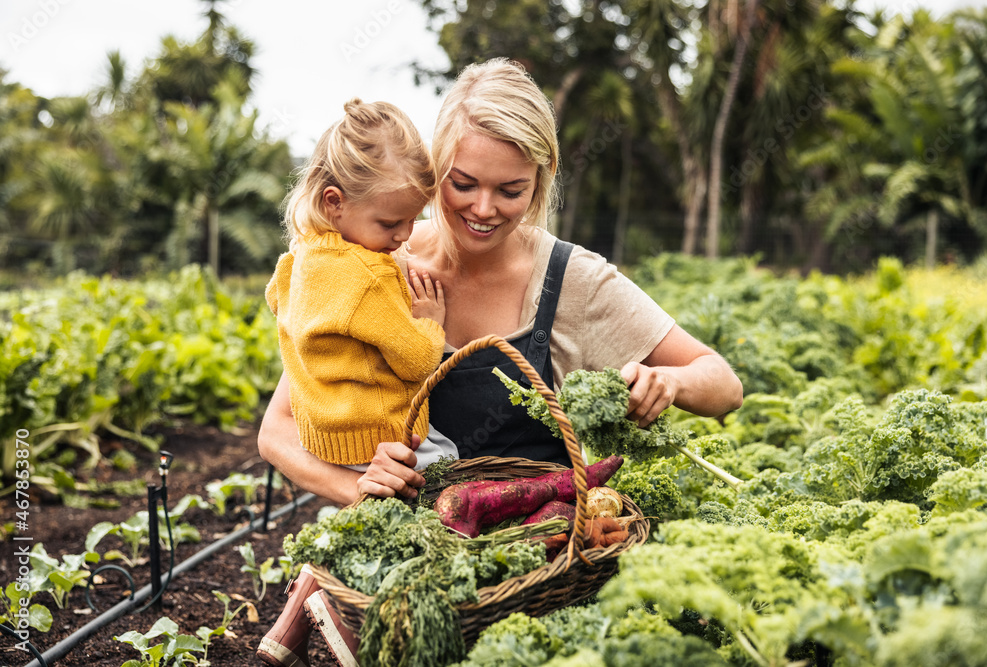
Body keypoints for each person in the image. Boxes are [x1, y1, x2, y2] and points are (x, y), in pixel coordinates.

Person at [257, 59, 744, 667]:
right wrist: (361, 489)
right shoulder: (380, 257)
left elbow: (723, 384)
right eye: (463, 183)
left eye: (511, 190)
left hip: (531, 576)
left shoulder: (575, 282)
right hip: (422, 580)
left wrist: (665, 380)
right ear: (435, 172)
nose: (483, 208)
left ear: (540, 184)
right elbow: (278, 428)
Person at [256, 97, 458, 667]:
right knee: (440, 490)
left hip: (330, 434)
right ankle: (351, 637)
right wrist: (431, 324)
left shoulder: (299, 262)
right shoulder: (369, 278)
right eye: (391, 223)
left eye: (412, 221)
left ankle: (287, 632)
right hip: (385, 435)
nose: (403, 237)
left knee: (366, 519)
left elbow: (285, 316)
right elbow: (417, 362)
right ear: (334, 202)